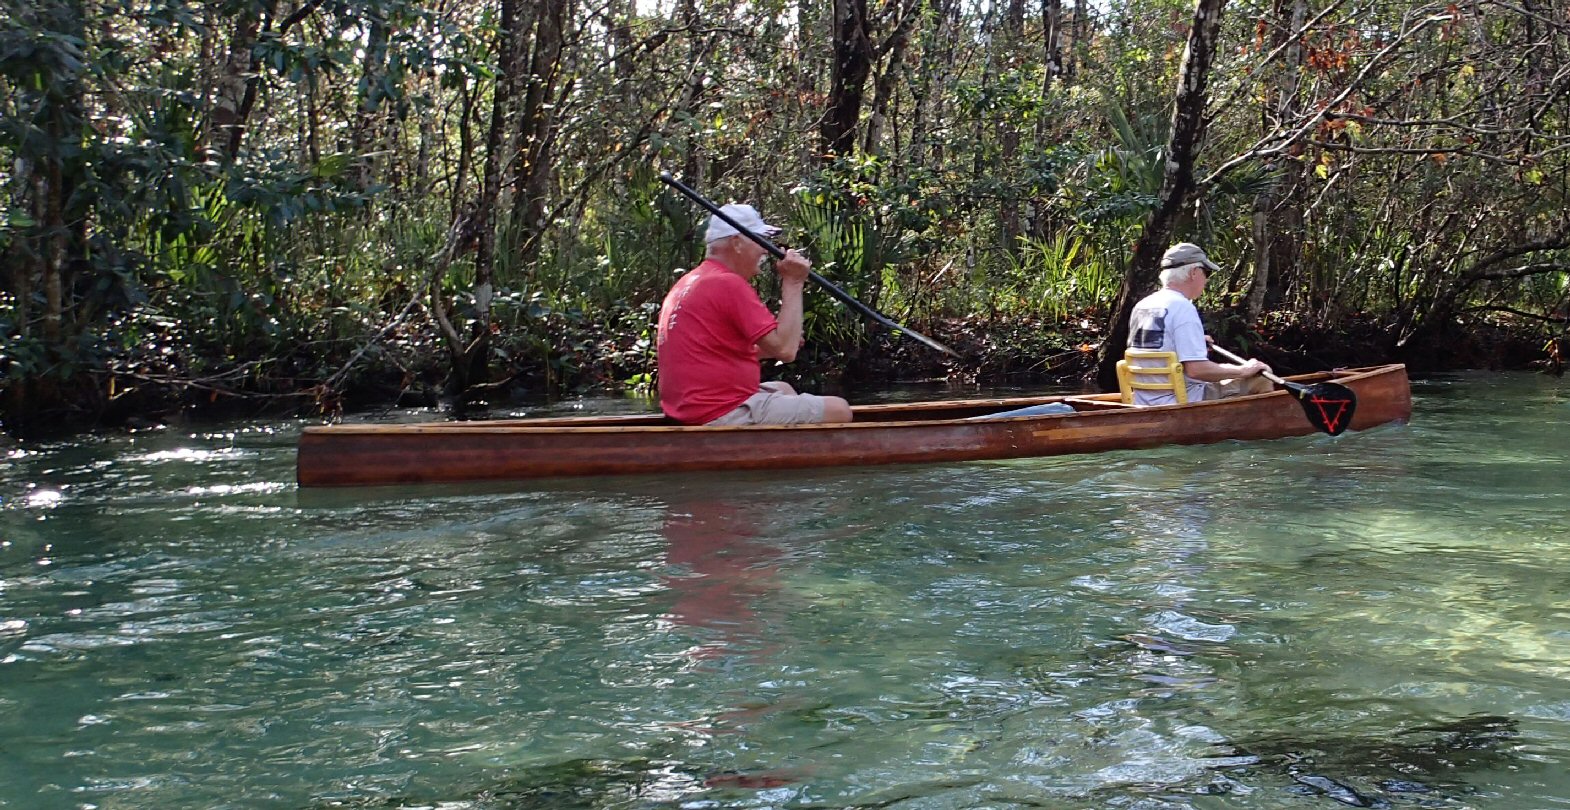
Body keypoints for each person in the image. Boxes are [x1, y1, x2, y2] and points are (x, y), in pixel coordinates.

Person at [657, 203, 853, 426]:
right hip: (716, 411)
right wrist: (794, 281)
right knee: (840, 410)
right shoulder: (727, 283)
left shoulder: (691, 281)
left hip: (692, 408)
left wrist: (766, 350)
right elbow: (786, 351)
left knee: (784, 389)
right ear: (737, 243)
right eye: (760, 241)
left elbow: (712, 351)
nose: (765, 250)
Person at [1126, 242, 1274, 406]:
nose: (1206, 279)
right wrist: (1244, 370)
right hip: (1181, 400)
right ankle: (1258, 430)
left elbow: (1155, 346)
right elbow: (1197, 371)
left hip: (1144, 400)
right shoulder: (1183, 308)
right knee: (1262, 376)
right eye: (1207, 272)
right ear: (1194, 272)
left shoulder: (1143, 305)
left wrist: (1192, 340)